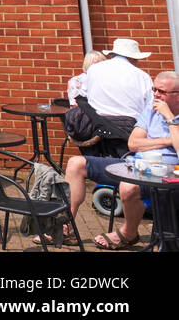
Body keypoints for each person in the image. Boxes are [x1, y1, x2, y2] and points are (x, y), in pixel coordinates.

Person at [55, 70, 179, 249]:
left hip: (166, 173)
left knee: (128, 186)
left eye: (162, 91)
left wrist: (169, 118)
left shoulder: (165, 112)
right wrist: (168, 141)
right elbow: (133, 143)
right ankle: (67, 227)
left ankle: (129, 233)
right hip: (137, 165)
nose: (156, 95)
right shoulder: (151, 110)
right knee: (76, 164)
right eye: (154, 90)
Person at [83, 38, 153, 130]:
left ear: (112, 55)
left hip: (96, 125)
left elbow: (85, 94)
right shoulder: (141, 76)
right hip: (129, 127)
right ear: (133, 58)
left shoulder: (93, 69)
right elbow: (150, 105)